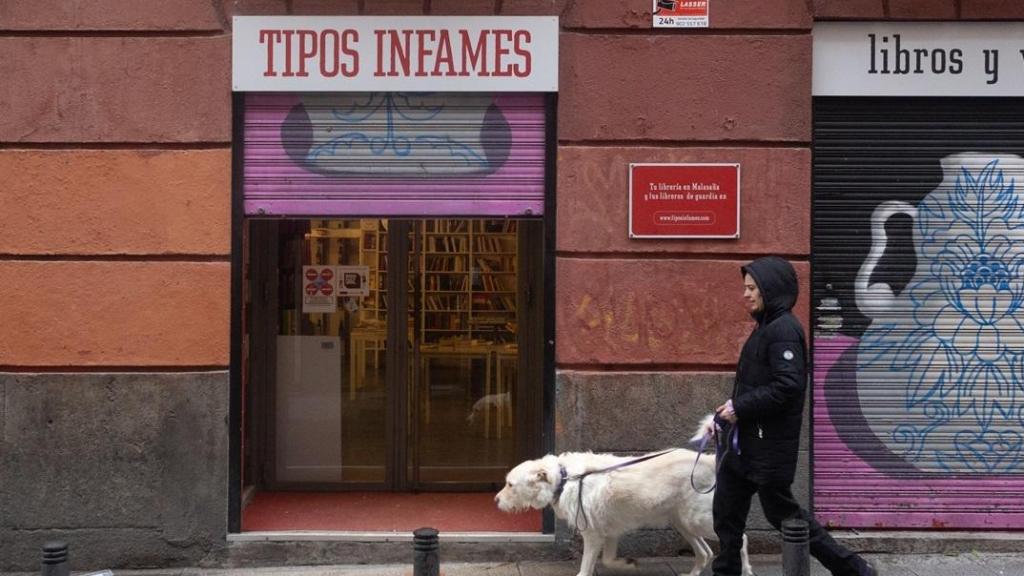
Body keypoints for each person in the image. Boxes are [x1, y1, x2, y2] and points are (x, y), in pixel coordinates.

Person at [708, 256, 877, 576]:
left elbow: (787, 386)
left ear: (771, 289)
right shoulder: (767, 328)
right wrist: (726, 414)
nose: (746, 294)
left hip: (768, 449)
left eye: (753, 288)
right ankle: (726, 570)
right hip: (746, 443)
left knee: (785, 516)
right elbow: (757, 384)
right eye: (745, 288)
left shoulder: (783, 330)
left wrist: (739, 408)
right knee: (726, 510)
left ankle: (853, 568)